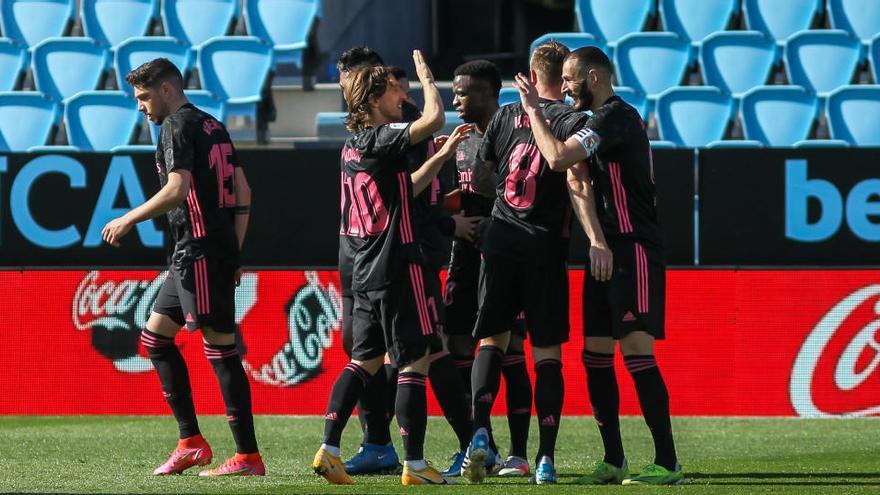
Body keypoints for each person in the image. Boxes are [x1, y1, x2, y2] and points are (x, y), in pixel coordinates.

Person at [511, 46, 684, 486]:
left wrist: (534, 110)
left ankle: (667, 462)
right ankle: (614, 460)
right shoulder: (595, 121)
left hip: (634, 249)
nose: (565, 88)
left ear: (592, 77)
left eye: (569, 80)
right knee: (595, 357)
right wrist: (595, 241)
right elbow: (577, 180)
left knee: (637, 353)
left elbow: (557, 158)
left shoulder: (616, 117)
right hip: (604, 250)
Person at [313, 50, 472, 486]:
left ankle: (328, 448)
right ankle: (415, 464)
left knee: (363, 360)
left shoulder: (355, 145)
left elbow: (405, 189)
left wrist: (442, 157)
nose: (402, 95)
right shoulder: (382, 137)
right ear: (374, 98)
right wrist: (426, 76)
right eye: (393, 89)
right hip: (400, 267)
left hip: (364, 272)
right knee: (416, 361)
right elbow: (436, 118)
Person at [102, 58, 263, 476]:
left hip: (200, 250)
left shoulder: (175, 126)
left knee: (220, 346)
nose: (140, 106)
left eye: (143, 96)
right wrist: (234, 250)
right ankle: (190, 441)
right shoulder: (212, 124)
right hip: (199, 253)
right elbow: (243, 189)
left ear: (167, 90)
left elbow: (178, 188)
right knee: (155, 339)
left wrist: (128, 218)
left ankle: (247, 457)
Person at [462, 42, 589, 485]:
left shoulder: (502, 117)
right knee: (547, 353)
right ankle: (545, 458)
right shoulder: (573, 120)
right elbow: (578, 180)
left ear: (532, 77)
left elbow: (480, 179)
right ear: (565, 77)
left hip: (500, 239)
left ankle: (479, 434)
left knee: (491, 341)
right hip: (545, 246)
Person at [442, 59, 533, 478]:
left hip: (504, 256)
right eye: (455, 92)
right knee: (456, 342)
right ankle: (480, 443)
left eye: (462, 92)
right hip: (463, 255)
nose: (455, 99)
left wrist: (495, 225)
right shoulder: (460, 141)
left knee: (511, 349)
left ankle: (517, 452)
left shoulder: (513, 132)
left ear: (487, 93)